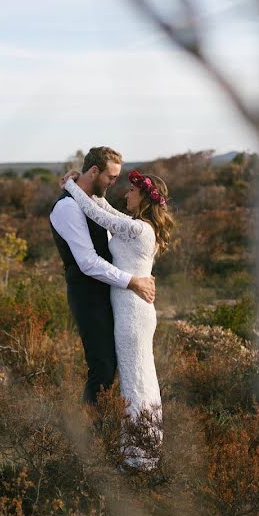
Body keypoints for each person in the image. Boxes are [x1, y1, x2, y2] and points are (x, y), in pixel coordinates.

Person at [60, 166, 174, 472]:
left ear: (145, 199)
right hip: (132, 307)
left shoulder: (137, 230)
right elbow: (105, 207)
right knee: (139, 375)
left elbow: (96, 213)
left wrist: (70, 185)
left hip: (132, 312)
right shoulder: (138, 225)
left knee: (136, 377)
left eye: (133, 191)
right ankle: (143, 451)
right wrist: (85, 190)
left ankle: (139, 457)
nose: (126, 193)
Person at [49, 147, 156, 407]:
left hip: (112, 295)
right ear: (94, 171)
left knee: (114, 367)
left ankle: (114, 432)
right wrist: (133, 281)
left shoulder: (93, 203)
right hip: (88, 296)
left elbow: (107, 231)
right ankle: (93, 439)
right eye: (111, 177)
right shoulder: (67, 207)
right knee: (102, 367)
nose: (113, 183)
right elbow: (87, 262)